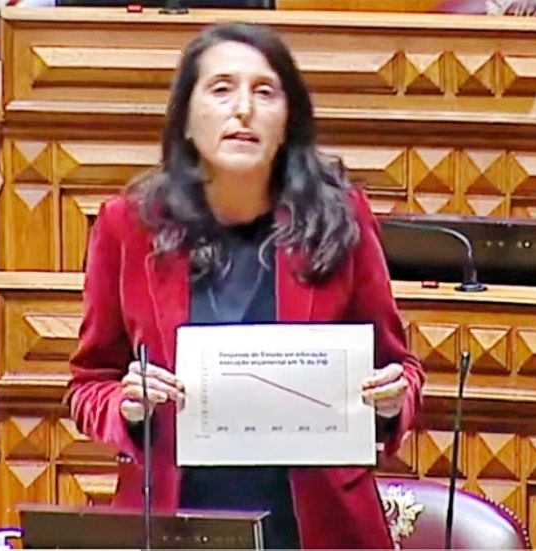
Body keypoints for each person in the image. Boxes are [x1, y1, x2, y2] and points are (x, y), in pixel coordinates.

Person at [67, 22, 424, 549]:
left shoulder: (341, 218)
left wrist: (392, 399)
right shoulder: (128, 226)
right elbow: (88, 384)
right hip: (175, 522)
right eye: (221, 89)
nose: (243, 110)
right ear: (186, 120)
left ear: (288, 121)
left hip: (318, 526)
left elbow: (402, 371)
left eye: (264, 92)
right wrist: (125, 404)